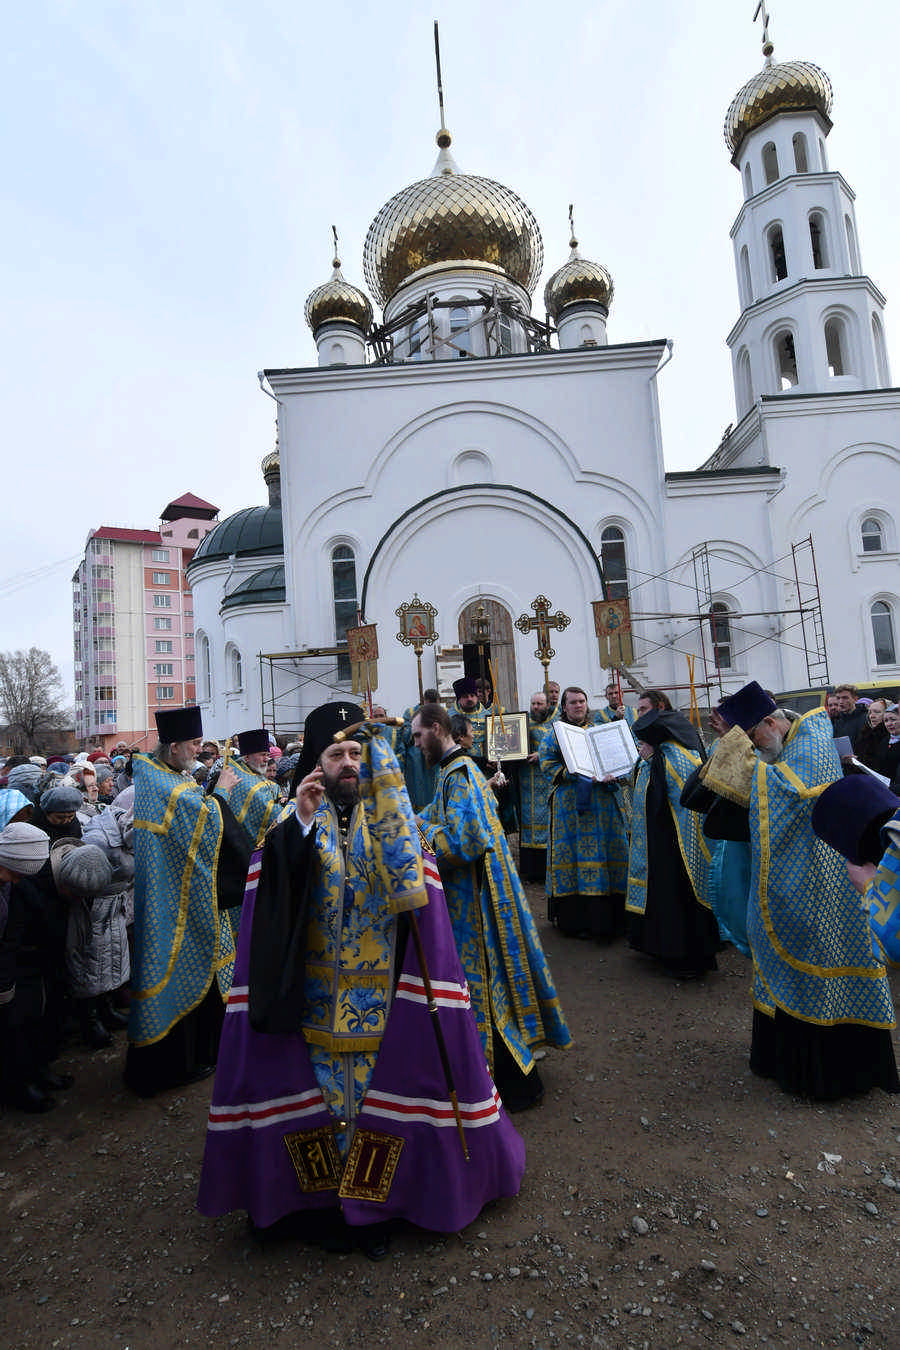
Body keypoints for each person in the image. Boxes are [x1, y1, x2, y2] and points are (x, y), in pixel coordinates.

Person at [198, 701, 526, 1249]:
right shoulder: (290, 819)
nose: (348, 763)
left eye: (355, 752)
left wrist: (400, 832)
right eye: (336, 754)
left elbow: (422, 899)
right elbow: (267, 895)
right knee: (324, 1104)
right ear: (316, 762)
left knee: (377, 1100)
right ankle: (320, 1205)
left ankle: (378, 1206)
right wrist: (301, 822)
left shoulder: (395, 819)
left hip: (384, 1002)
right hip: (311, 1002)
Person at [699, 681, 898, 1100]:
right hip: (801, 875)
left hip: (828, 884)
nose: (756, 747)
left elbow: (789, 790)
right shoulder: (786, 742)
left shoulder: (812, 740)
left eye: (755, 737)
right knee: (783, 959)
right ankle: (779, 1060)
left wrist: (739, 762)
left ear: (772, 722)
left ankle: (831, 1075)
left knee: (821, 959)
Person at [413, 702, 572, 1112]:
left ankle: (511, 1085)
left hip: (475, 901)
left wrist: (422, 829)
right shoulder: (453, 771)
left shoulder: (461, 775)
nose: (415, 744)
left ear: (435, 729)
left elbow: (465, 842)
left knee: (484, 989)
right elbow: (446, 815)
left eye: (417, 736)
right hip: (477, 896)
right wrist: (420, 817)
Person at [124, 705, 252, 1097]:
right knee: (178, 968)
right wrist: (224, 793)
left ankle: (188, 1058)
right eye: (195, 744)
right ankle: (168, 1070)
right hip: (173, 902)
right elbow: (204, 818)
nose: (199, 749)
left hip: (173, 892)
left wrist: (209, 794)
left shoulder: (160, 775)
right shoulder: (166, 785)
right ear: (175, 745)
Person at [626, 708, 723, 978]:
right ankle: (663, 950)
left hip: (679, 845)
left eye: (644, 741)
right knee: (663, 898)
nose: (642, 747)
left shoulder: (677, 758)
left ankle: (686, 958)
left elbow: (687, 804)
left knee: (679, 899)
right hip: (659, 843)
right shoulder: (658, 757)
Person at [540, 685, 630, 939]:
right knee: (573, 858)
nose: (578, 705)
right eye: (573, 702)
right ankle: (576, 920)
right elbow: (547, 765)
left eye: (582, 701)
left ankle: (612, 919)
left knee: (606, 855)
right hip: (569, 809)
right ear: (564, 707)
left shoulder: (599, 732)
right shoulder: (553, 735)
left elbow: (614, 758)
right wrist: (575, 772)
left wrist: (614, 773)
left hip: (602, 806)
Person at [0, 822, 60, 1113]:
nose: (13, 881)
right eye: (12, 874)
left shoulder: (19, 880)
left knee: (33, 1020)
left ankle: (36, 1073)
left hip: (25, 963)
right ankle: (18, 1089)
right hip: (8, 970)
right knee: (12, 1030)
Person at [214, 728, 281, 849]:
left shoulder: (252, 771)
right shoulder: (240, 778)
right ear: (247, 758)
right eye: (262, 755)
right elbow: (270, 812)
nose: (267, 759)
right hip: (246, 849)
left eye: (267, 755)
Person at [515, 690, 553, 884]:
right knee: (528, 824)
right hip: (526, 781)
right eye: (533, 704)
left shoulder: (555, 725)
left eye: (539, 703)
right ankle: (531, 870)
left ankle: (546, 870)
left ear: (547, 705)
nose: (536, 707)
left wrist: (541, 755)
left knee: (546, 823)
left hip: (546, 782)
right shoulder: (523, 724)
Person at [852, 697, 889, 773]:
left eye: (877, 712)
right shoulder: (864, 734)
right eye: (870, 713)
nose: (872, 716)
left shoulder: (892, 736)